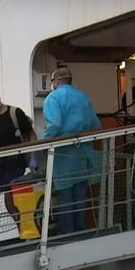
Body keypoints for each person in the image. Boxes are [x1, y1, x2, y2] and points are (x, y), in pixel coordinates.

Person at [42, 68, 101, 234]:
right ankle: (80, 231)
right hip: (83, 153)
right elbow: (96, 126)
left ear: (56, 81)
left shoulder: (53, 98)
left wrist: (43, 143)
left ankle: (67, 234)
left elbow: (54, 124)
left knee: (65, 196)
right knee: (80, 194)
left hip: (63, 154)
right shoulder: (83, 97)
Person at [0, 84, 38, 223]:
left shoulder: (15, 113)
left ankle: (24, 231)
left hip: (16, 162)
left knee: (10, 202)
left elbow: (31, 136)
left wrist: (33, 156)